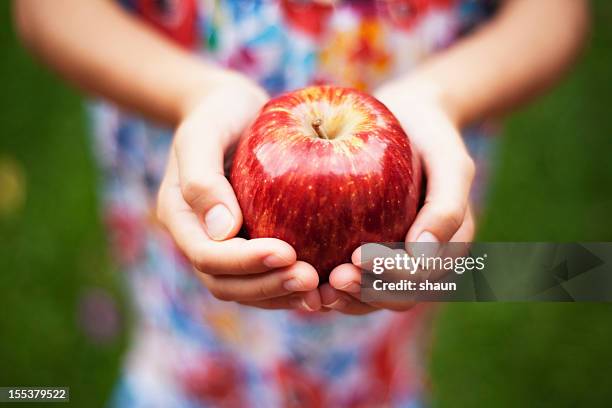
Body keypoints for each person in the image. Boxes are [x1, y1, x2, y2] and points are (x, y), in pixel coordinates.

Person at [14, 0, 589, 406]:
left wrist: (442, 95)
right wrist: (197, 93)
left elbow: (555, 14)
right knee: (185, 361)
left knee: (384, 342)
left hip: (395, 242)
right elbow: (48, 11)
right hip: (189, 282)